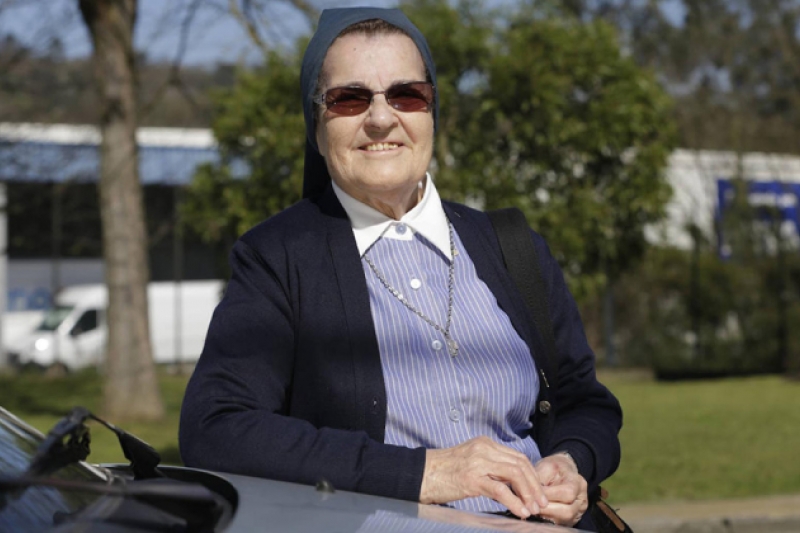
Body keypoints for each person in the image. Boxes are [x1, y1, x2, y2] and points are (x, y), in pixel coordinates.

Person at [179, 7, 622, 531]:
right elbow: (217, 426)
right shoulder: (277, 258)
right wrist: (423, 473)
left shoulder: (513, 247)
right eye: (349, 98)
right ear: (316, 126)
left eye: (406, 94)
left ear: (432, 112)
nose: (381, 118)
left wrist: (572, 462)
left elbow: (584, 402)